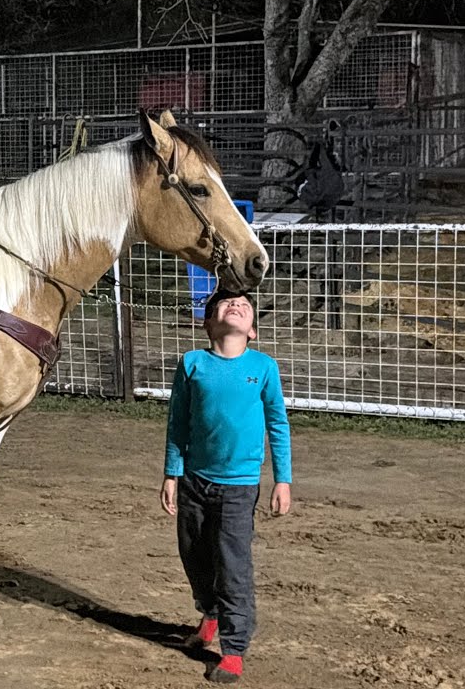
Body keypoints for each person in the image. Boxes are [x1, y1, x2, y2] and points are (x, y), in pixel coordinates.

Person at [159, 288, 293, 684]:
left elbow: (278, 426)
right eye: (225, 303)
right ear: (207, 323)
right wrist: (172, 472)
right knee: (193, 556)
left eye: (244, 305)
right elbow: (177, 423)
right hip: (194, 482)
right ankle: (210, 614)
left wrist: (282, 480)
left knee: (233, 566)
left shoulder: (264, 367)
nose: (235, 305)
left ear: (252, 330)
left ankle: (233, 649)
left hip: (239, 487)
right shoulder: (191, 364)